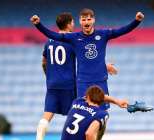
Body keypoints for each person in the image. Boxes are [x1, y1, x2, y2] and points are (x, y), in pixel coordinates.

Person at [30, 8, 144, 111]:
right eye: (83, 20)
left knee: (102, 115)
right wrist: (38, 24)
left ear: (93, 20)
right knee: (83, 113)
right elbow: (54, 35)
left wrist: (136, 21)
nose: (86, 22)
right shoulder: (74, 37)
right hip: (83, 82)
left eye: (89, 19)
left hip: (100, 81)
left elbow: (122, 31)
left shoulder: (103, 34)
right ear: (80, 21)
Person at [37, 12, 118, 140]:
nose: (74, 24)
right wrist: (105, 66)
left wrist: (48, 76)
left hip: (52, 83)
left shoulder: (49, 41)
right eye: (73, 22)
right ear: (69, 24)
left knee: (47, 115)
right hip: (71, 84)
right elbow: (85, 58)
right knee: (86, 113)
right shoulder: (72, 39)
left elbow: (44, 61)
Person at [61, 85, 128, 140]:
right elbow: (89, 134)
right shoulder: (101, 114)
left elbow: (91, 97)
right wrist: (117, 101)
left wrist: (117, 101)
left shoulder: (77, 101)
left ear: (88, 97)